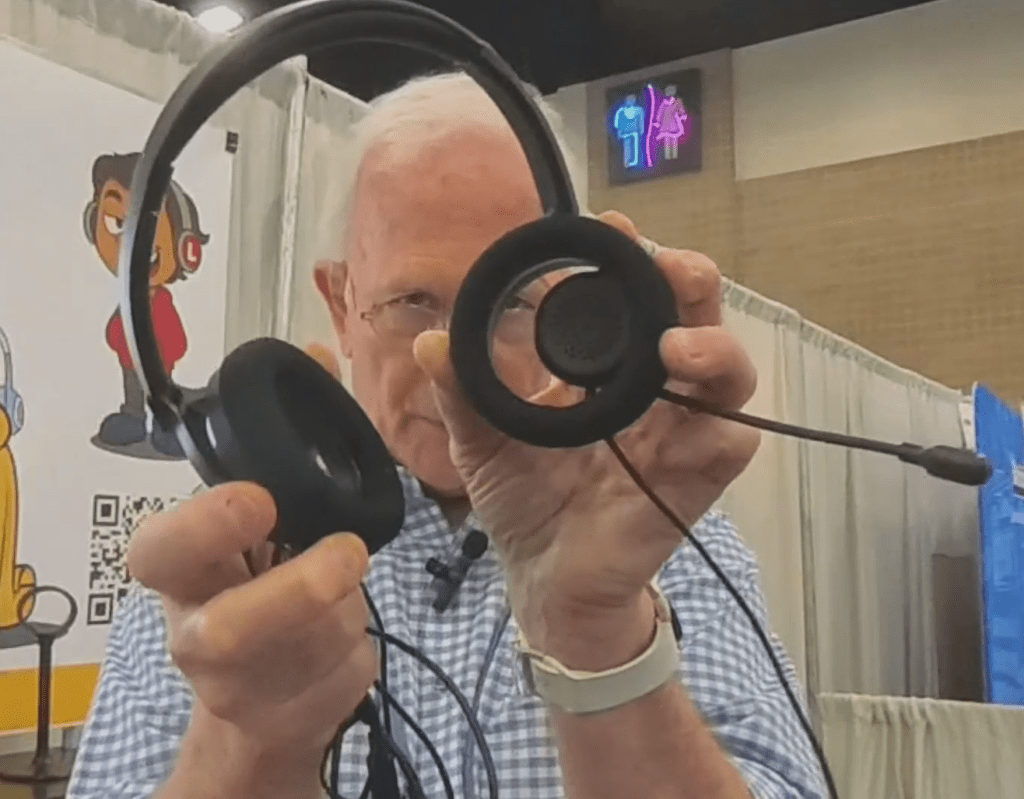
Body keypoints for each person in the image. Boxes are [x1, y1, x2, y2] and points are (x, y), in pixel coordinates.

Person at [67, 71, 825, 799]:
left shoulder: (677, 546)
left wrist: (600, 637)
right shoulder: (223, 573)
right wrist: (248, 755)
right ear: (341, 304)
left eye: (515, 302)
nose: (454, 368)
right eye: (413, 301)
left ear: (579, 315)